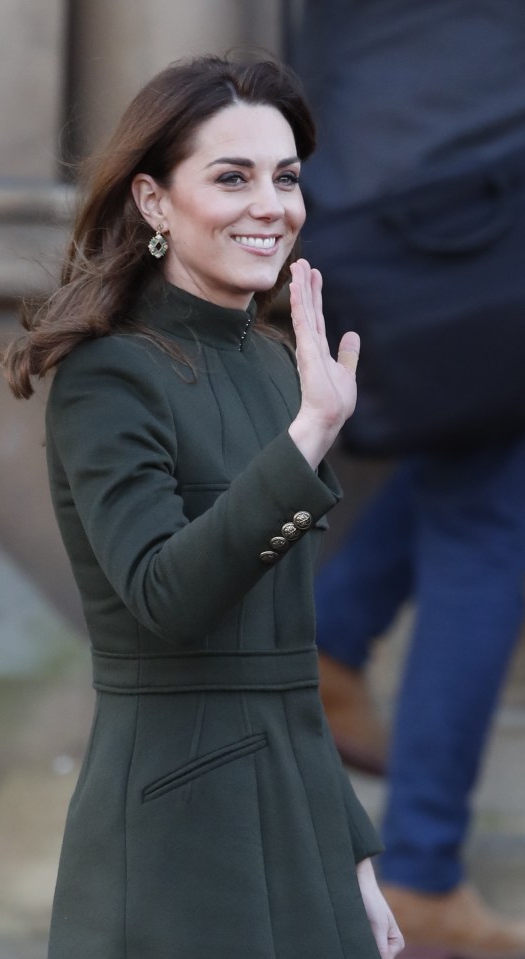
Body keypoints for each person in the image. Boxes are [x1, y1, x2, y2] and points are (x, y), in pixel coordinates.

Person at [0, 55, 404, 959]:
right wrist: (309, 439)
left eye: (286, 178)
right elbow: (163, 595)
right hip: (177, 833)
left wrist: (355, 857)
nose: (272, 206)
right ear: (152, 201)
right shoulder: (107, 376)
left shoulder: (273, 363)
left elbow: (290, 670)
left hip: (300, 823)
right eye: (233, 176)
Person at [286, 1, 525, 955]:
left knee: (480, 459)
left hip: (384, 201)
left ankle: (331, 642)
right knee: (491, 510)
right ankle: (419, 874)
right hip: (478, 204)